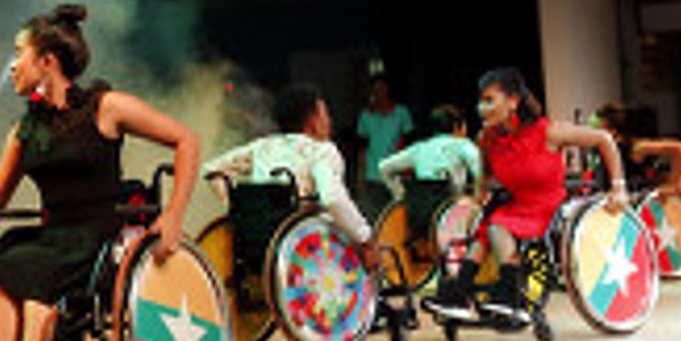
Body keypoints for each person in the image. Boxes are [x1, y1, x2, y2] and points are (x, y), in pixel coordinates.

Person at [0, 4, 200, 341]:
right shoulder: (25, 130)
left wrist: (173, 214)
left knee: (34, 271)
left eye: (17, 55)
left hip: (97, 239)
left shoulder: (106, 107)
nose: (11, 67)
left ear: (47, 62)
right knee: (5, 269)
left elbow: (187, 140)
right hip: (53, 234)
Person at [424, 67, 626, 323]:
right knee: (484, 227)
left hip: (549, 206)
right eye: (480, 101)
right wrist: (477, 199)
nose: (481, 108)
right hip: (516, 203)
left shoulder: (549, 132)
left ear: (512, 102)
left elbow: (604, 140)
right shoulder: (488, 138)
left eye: (489, 100)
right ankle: (460, 294)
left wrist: (618, 186)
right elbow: (485, 178)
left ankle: (512, 294)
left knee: (497, 226)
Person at [203, 81, 377, 266]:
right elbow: (332, 197)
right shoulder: (321, 151)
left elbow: (211, 170)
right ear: (313, 121)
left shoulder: (263, 147)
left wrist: (237, 209)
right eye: (325, 114)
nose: (330, 121)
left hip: (256, 244)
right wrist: (365, 239)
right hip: (308, 251)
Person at [378, 103, 481, 198]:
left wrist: (401, 196)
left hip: (420, 208)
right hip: (452, 208)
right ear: (456, 127)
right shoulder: (462, 144)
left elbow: (383, 167)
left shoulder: (419, 148)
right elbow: (480, 169)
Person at [355, 73, 413, 217]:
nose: (379, 93)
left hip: (396, 173)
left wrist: (409, 172)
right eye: (375, 89)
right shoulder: (365, 116)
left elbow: (410, 145)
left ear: (388, 89)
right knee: (376, 215)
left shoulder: (401, 113)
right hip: (373, 175)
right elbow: (362, 149)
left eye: (382, 88)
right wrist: (360, 177)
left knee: (398, 214)